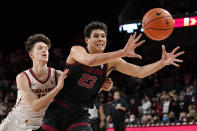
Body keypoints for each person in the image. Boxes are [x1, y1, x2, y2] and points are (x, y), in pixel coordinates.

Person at [39, 21, 184, 131]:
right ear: (87, 40)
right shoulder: (77, 50)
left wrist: (162, 63)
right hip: (57, 109)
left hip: (79, 114)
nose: (101, 39)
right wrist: (122, 52)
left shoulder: (112, 62)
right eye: (96, 36)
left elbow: (140, 72)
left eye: (103, 36)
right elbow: (90, 61)